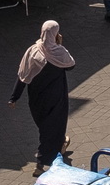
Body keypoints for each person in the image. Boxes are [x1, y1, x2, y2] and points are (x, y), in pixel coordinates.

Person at [10, 21, 74, 174]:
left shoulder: (33, 51)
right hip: (56, 98)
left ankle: (60, 145)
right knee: (51, 128)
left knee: (46, 127)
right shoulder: (59, 52)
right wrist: (59, 45)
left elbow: (23, 75)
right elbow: (71, 65)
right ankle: (40, 164)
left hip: (36, 99)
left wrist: (14, 97)